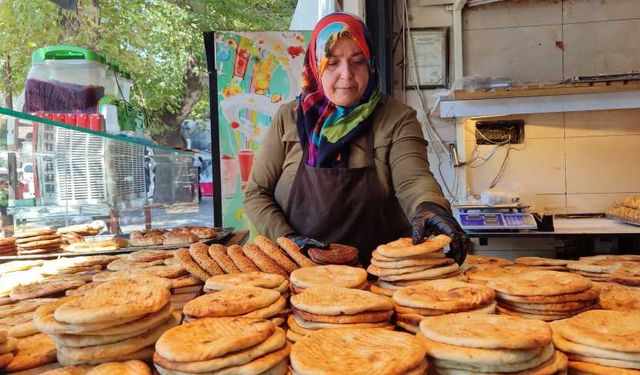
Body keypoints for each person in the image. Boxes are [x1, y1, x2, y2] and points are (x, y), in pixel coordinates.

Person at [244, 12, 471, 266]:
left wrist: (429, 206)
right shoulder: (289, 118)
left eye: (357, 61)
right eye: (332, 63)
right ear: (315, 65)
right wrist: (287, 240)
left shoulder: (396, 118)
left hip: (380, 276)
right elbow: (257, 192)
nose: (346, 74)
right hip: (298, 271)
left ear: (370, 63)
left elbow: (414, 180)